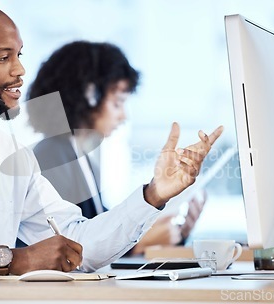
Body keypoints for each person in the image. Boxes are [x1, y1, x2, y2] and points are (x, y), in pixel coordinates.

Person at [0, 1, 223, 303]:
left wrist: (153, 193)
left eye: (18, 55)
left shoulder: (6, 150)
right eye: (2, 58)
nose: (20, 71)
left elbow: (79, 246)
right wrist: (8, 261)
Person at [26, 41, 206, 255]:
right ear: (89, 96)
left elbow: (99, 228)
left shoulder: (79, 156)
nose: (123, 116)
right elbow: (70, 248)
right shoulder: (53, 156)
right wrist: (138, 244)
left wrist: (176, 234)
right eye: (118, 103)